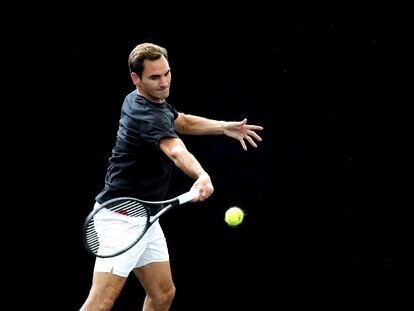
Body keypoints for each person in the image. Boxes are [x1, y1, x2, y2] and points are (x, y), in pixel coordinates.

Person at [80, 42, 263, 311]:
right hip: (120, 219)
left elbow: (183, 121)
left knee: (163, 294)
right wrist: (201, 174)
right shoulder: (146, 115)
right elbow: (176, 150)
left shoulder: (143, 100)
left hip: (145, 217)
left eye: (166, 73)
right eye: (154, 77)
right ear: (136, 79)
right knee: (100, 302)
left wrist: (224, 127)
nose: (164, 82)